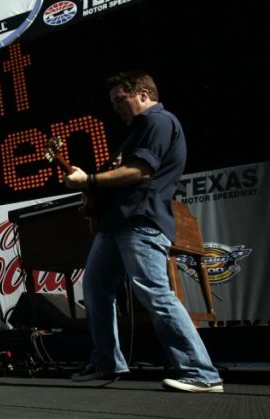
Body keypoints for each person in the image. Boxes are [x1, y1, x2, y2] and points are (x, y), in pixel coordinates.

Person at [64, 69, 223, 393]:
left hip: (141, 221)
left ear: (143, 94)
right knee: (95, 288)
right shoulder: (138, 131)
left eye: (119, 99)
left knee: (155, 292)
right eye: (113, 103)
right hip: (117, 223)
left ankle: (202, 373)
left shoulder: (157, 122)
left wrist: (90, 180)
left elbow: (140, 171)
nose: (115, 107)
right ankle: (107, 361)